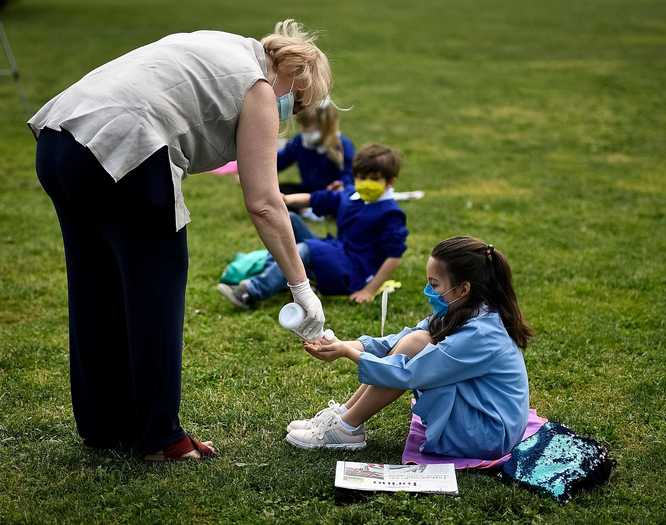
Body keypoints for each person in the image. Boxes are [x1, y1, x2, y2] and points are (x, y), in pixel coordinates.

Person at [28, 20, 331, 461]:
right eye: (299, 102)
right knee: (157, 293)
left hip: (60, 141)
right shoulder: (261, 86)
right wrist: (302, 288)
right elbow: (265, 202)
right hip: (126, 148)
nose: (294, 112)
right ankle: (161, 437)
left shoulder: (218, 43)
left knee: (96, 287)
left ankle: (103, 424)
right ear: (292, 75)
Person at [287, 236, 534, 458]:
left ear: (462, 289)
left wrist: (347, 353)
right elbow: (399, 340)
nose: (428, 291)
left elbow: (408, 373)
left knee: (416, 344)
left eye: (435, 284)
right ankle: (344, 419)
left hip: (487, 435)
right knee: (416, 339)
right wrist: (345, 345)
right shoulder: (467, 309)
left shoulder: (482, 334)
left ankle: (347, 426)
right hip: (483, 417)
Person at [217, 144, 408, 307]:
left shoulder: (391, 213)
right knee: (289, 219)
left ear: (390, 181)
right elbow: (315, 199)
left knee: (303, 250)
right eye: (361, 177)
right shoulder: (350, 195)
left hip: (353, 272)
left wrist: (369, 290)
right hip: (337, 252)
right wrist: (283, 199)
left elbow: (394, 256)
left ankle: (251, 292)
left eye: (374, 179)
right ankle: (277, 274)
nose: (366, 183)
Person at [277, 99, 355, 196]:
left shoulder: (342, 145)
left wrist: (342, 184)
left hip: (331, 195)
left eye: (307, 126)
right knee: (278, 192)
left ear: (324, 124)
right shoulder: (299, 142)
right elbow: (280, 161)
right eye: (302, 126)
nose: (303, 130)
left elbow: (349, 175)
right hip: (308, 192)